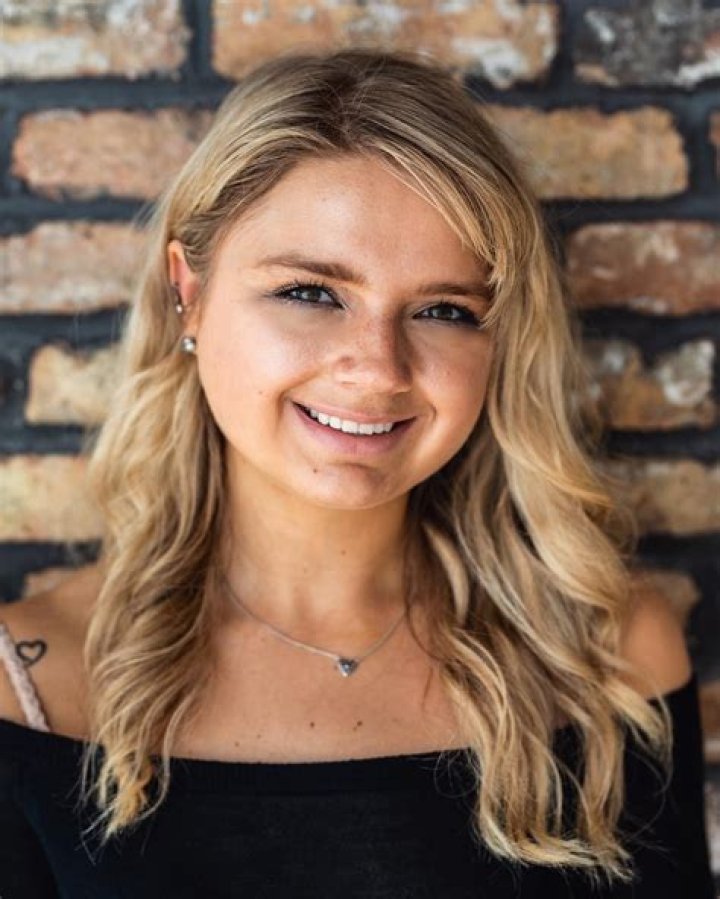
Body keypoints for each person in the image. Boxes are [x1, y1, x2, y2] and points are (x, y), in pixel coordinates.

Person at [0, 46, 714, 898]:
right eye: (311, 293)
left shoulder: (611, 658)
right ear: (187, 290)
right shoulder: (27, 688)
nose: (378, 368)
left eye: (444, 309)